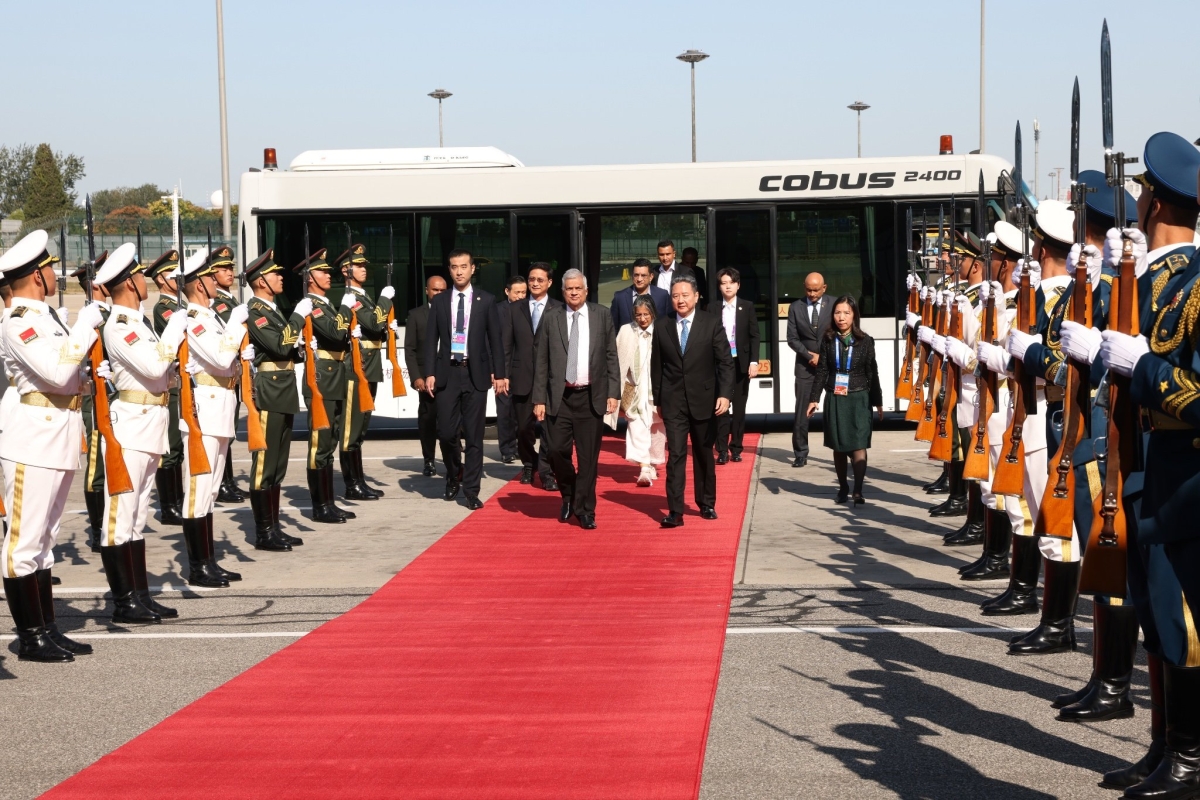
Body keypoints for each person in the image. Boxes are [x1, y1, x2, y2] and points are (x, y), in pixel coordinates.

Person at [1094, 131, 1200, 797]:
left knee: (1182, 625)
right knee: (1158, 620)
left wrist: (1146, 370)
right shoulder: (1163, 281)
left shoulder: (1196, 290)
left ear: (1153, 204)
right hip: (1149, 475)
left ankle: (1189, 758)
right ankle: (1166, 747)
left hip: (1185, 484)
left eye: (1140, 199)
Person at [0, 230, 105, 661]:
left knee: (45, 540)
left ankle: (47, 627)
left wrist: (90, 376)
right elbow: (55, 372)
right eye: (49, 267)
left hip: (58, 433)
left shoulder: (45, 318)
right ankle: (29, 636)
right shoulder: (18, 321)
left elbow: (66, 377)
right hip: (32, 438)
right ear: (36, 276)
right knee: (23, 543)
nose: (54, 272)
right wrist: (84, 327)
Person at [94, 242, 189, 620]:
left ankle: (139, 594)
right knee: (120, 514)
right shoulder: (119, 326)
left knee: (137, 516)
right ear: (131, 283)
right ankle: (123, 602)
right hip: (130, 423)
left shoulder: (139, 323)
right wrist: (174, 335)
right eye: (140, 275)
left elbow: (163, 374)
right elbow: (152, 367)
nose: (144, 280)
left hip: (151, 422)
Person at [178, 247, 255, 587]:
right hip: (205, 412)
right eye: (210, 277)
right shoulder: (193, 320)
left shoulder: (210, 318)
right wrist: (237, 329)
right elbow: (222, 360)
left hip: (221, 407)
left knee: (209, 492)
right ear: (198, 284)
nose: (216, 281)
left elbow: (231, 366)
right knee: (198, 491)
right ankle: (198, 567)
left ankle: (208, 562)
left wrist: (239, 354)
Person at [532, 269, 619, 529]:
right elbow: (542, 361)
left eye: (577, 288)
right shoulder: (551, 318)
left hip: (590, 397)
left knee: (588, 458)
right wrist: (539, 399)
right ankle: (568, 494)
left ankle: (585, 509)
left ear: (586, 290)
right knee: (557, 452)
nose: (573, 292)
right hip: (559, 398)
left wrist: (613, 392)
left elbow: (611, 356)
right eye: (569, 288)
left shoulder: (601, 315)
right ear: (562, 291)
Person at [424, 248, 507, 510]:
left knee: (474, 436)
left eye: (463, 266)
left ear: (473, 269)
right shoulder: (440, 302)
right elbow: (430, 341)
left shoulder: (486, 300)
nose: (459, 271)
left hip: (475, 374)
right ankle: (453, 473)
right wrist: (429, 372)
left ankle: (471, 490)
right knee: (446, 433)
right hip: (447, 373)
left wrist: (501, 374)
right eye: (454, 266)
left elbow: (496, 340)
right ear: (449, 270)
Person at [651, 273, 734, 527]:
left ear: (696, 297)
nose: (680, 300)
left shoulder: (711, 324)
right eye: (675, 296)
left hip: (705, 400)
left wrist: (725, 394)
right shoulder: (662, 325)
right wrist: (657, 399)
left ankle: (706, 503)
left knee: (703, 454)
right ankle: (675, 511)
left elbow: (725, 363)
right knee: (675, 455)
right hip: (673, 401)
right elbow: (656, 365)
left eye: (685, 295)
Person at [244, 250, 306, 551]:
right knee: (264, 465)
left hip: (284, 388)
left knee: (278, 465)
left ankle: (275, 527)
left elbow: (289, 349)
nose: (281, 277)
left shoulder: (272, 309)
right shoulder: (255, 311)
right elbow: (280, 346)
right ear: (260, 281)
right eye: (275, 274)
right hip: (269, 390)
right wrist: (298, 317)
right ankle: (263, 532)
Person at [293, 248, 357, 524]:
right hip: (323, 377)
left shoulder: (325, 303)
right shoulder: (313, 304)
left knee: (330, 441)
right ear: (309, 277)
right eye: (322, 271)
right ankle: (320, 506)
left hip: (336, 375)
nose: (328, 275)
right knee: (320, 443)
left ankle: (329, 502)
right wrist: (346, 307)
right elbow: (334, 331)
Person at [806, 296, 883, 504]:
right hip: (835, 397)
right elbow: (822, 371)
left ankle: (858, 490)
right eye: (838, 313)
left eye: (846, 313)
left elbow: (872, 372)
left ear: (854, 316)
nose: (841, 317)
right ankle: (843, 488)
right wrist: (814, 398)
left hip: (859, 398)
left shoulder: (866, 341)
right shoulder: (828, 339)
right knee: (838, 445)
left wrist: (878, 401)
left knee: (859, 444)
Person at [336, 243, 393, 500]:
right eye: (359, 266)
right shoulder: (352, 298)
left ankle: (359, 481)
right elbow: (373, 322)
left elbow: (375, 328)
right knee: (351, 429)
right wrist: (384, 299)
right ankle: (352, 484)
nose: (364, 269)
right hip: (356, 368)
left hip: (369, 366)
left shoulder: (362, 295)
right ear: (346, 270)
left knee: (360, 429)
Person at [508, 263, 561, 491]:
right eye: (532, 279)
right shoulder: (514, 308)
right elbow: (506, 344)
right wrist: (503, 374)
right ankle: (529, 463)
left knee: (550, 430)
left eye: (540, 280)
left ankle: (547, 472)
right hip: (522, 377)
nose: (535, 283)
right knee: (522, 429)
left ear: (549, 283)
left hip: (551, 379)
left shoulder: (559, 308)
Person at [148, 254, 185, 525]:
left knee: (179, 447)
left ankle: (178, 499)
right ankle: (168, 505)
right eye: (173, 275)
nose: (178, 280)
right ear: (161, 279)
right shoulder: (164, 308)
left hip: (182, 382)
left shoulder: (181, 306)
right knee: (169, 447)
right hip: (170, 384)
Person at [616, 294, 665, 485]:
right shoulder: (626, 331)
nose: (642, 318)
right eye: (638, 315)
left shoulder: (662, 330)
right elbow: (617, 358)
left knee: (657, 429)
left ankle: (652, 463)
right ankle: (644, 468)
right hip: (634, 390)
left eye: (646, 314)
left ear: (653, 313)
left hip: (656, 390)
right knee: (636, 426)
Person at [209, 246, 245, 505]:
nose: (229, 272)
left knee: (229, 431)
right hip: (222, 372)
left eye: (231, 267)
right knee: (223, 431)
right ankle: (222, 482)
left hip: (234, 372)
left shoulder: (230, 300)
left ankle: (228, 481)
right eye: (223, 269)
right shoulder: (219, 303)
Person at [714, 268, 760, 464]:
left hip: (740, 364)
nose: (728, 286)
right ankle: (722, 449)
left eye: (731, 283)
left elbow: (754, 336)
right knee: (721, 408)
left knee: (739, 409)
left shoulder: (747, 306)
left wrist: (754, 361)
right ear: (719, 286)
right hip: (719, 365)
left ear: (738, 285)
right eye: (724, 283)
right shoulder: (712, 308)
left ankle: (737, 448)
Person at [786, 272, 832, 467]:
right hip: (805, 365)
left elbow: (841, 332)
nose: (812, 294)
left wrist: (824, 356)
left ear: (824, 288)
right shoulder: (796, 307)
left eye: (816, 290)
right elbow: (792, 338)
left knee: (838, 408)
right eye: (808, 290)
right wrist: (809, 355)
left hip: (830, 364)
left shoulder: (835, 305)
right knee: (802, 411)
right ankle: (800, 453)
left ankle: (844, 448)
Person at [404, 275, 445, 476]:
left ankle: (451, 460)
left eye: (442, 291)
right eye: (435, 290)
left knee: (450, 422)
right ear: (427, 291)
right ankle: (429, 460)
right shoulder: (416, 316)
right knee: (428, 420)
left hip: (450, 375)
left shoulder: (454, 313)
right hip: (425, 379)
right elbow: (409, 350)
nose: (438, 294)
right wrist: (416, 377)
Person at [495, 274, 527, 464]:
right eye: (517, 292)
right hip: (503, 368)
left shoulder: (528, 309)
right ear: (507, 292)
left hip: (522, 368)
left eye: (524, 292)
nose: (521, 296)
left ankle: (521, 447)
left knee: (521, 412)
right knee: (505, 410)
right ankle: (507, 448)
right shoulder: (498, 310)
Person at [610, 258, 671, 329]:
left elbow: (668, 323)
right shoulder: (620, 297)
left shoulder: (662, 295)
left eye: (643, 275)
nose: (639, 279)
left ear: (651, 277)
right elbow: (613, 327)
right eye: (636, 275)